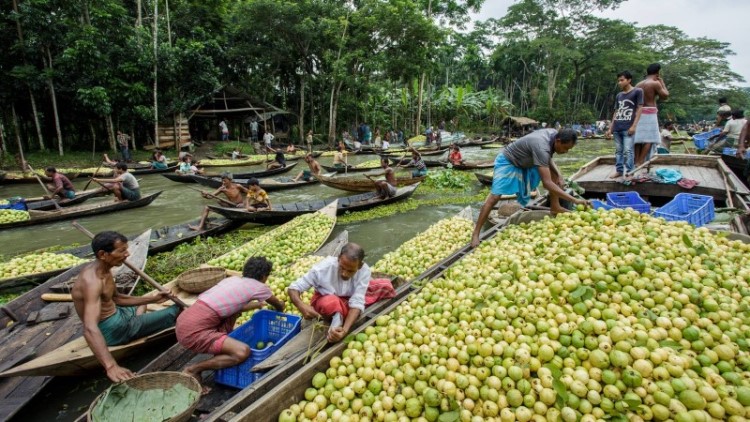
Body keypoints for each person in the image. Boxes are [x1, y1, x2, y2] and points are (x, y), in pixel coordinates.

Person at [72, 231, 179, 382]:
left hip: (118, 313)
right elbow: (89, 328)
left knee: (144, 303)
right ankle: (136, 326)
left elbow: (118, 298)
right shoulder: (92, 281)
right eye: (122, 251)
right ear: (103, 254)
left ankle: (138, 322)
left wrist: (154, 299)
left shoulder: (104, 269)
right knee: (177, 310)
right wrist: (111, 366)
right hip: (114, 329)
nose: (127, 254)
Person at [176, 256, 284, 393]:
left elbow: (232, 306)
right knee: (242, 352)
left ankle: (219, 351)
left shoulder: (232, 280)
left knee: (232, 315)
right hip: (194, 331)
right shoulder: (259, 287)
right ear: (264, 276)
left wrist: (257, 305)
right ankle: (194, 369)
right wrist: (281, 309)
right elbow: (277, 304)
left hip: (185, 320)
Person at [470, 128, 590, 248]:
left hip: (528, 160)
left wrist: (558, 174)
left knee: (555, 175)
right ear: (558, 141)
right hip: (509, 161)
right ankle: (476, 234)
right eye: (566, 148)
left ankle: (555, 206)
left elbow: (548, 157)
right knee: (495, 197)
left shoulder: (553, 134)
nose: (566, 152)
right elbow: (547, 183)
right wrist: (574, 200)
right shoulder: (541, 146)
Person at [288, 243, 394, 343]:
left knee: (384, 286)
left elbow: (357, 302)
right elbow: (293, 288)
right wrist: (301, 306)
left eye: (350, 271)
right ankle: (338, 314)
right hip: (325, 302)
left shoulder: (364, 271)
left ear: (360, 266)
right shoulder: (323, 268)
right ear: (338, 258)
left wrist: (344, 330)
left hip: (348, 300)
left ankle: (341, 316)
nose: (344, 273)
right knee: (331, 302)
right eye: (342, 267)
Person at [605, 70, 643, 178]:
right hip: (618, 127)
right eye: (618, 81)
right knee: (618, 151)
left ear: (629, 80)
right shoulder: (619, 95)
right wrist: (610, 128)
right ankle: (619, 170)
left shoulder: (637, 91)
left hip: (628, 127)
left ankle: (630, 172)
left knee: (628, 151)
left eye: (622, 80)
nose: (619, 83)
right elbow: (616, 112)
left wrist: (634, 126)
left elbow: (640, 109)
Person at [634, 63, 669, 166]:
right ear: (658, 72)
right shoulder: (655, 83)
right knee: (649, 138)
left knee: (639, 138)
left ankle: (637, 160)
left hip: (639, 112)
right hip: (650, 113)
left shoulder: (638, 84)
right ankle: (640, 161)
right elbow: (665, 96)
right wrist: (662, 82)